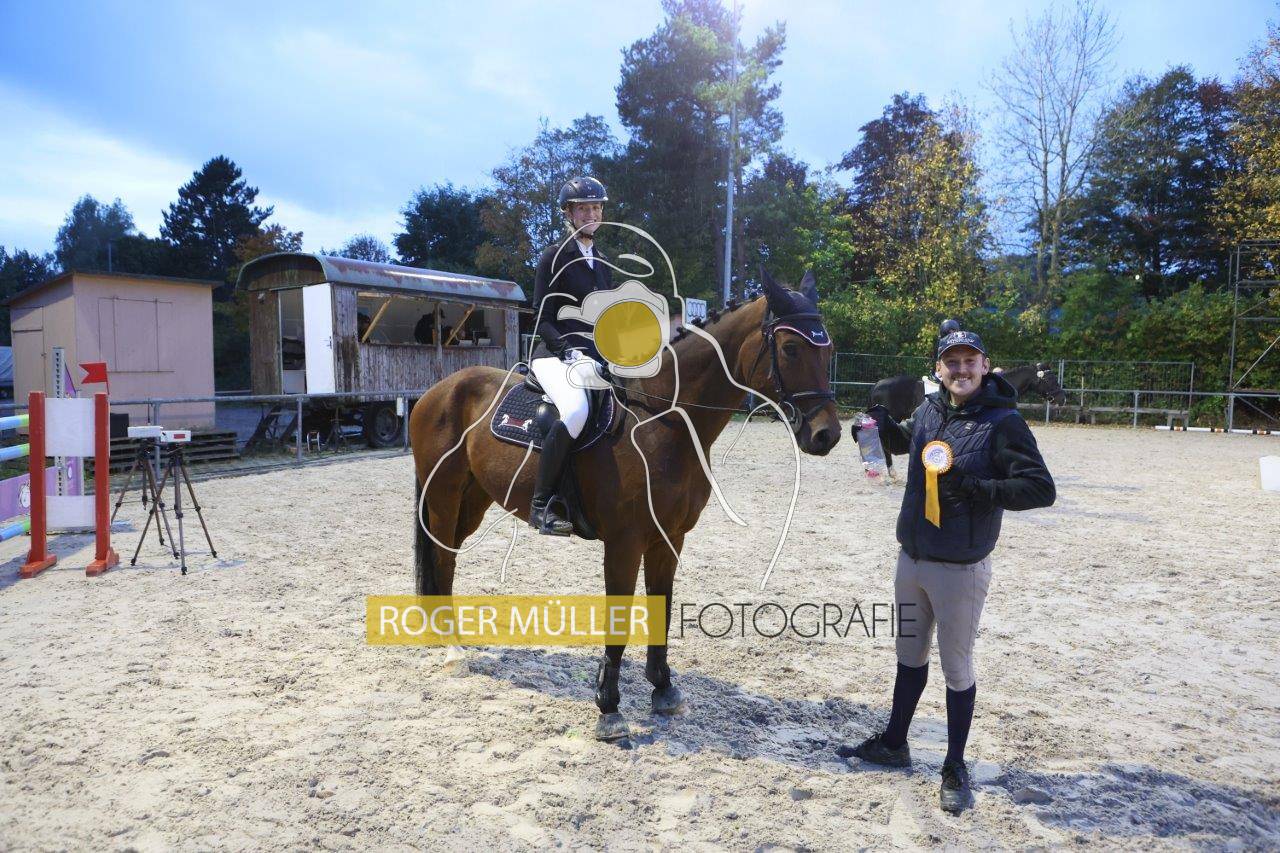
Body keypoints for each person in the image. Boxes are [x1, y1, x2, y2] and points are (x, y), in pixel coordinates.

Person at [844, 323, 1056, 813]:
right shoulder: (929, 409)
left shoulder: (1004, 422)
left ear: (985, 365)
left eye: (969, 361)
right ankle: (895, 743)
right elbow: (906, 443)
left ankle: (955, 765)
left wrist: (977, 488)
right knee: (909, 656)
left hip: (960, 569)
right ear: (938, 369)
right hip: (912, 560)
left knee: (956, 668)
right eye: (951, 362)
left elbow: (1040, 489)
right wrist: (876, 428)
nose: (961, 370)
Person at [527, 176, 613, 535]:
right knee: (576, 412)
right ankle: (541, 505)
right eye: (583, 208)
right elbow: (542, 317)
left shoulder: (603, 262)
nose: (591, 213)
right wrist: (569, 351)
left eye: (596, 207)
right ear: (569, 214)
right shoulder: (554, 256)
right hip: (553, 354)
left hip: (593, 359)